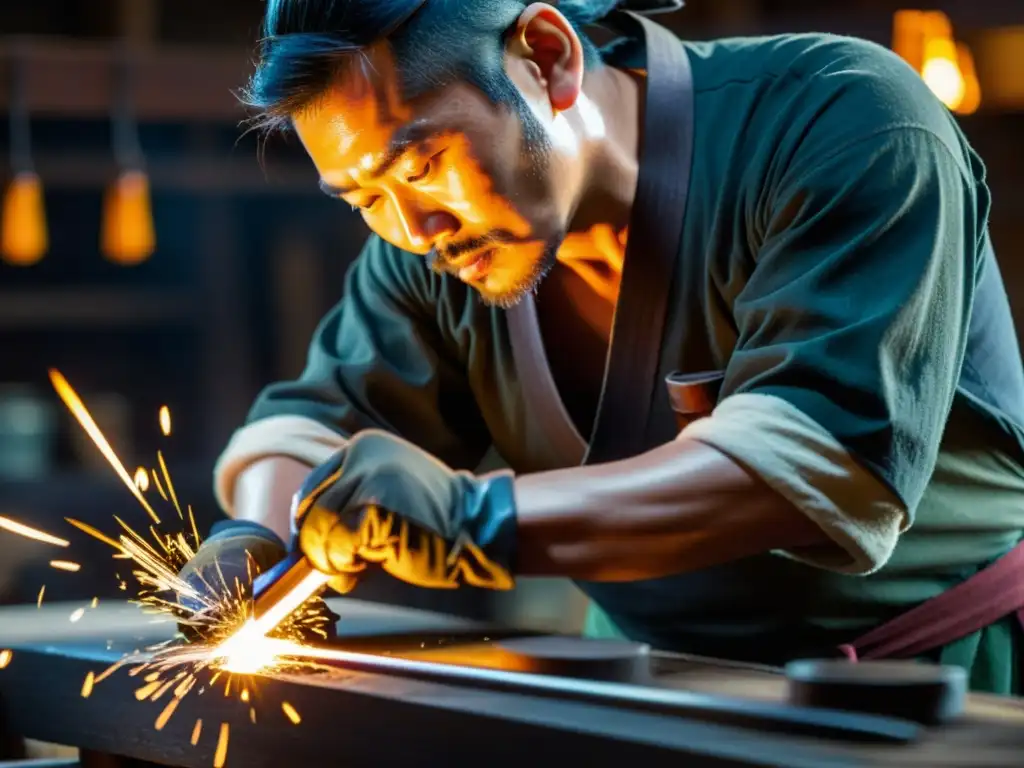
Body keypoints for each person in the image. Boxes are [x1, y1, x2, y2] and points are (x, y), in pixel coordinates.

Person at [181, 0, 1024, 694]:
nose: (412, 229)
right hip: (639, 684)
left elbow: (814, 468)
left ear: (546, 58)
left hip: (936, 680)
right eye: (362, 197)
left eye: (423, 163)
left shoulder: (845, 120)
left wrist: (479, 522)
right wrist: (256, 537)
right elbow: (314, 423)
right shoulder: (440, 251)